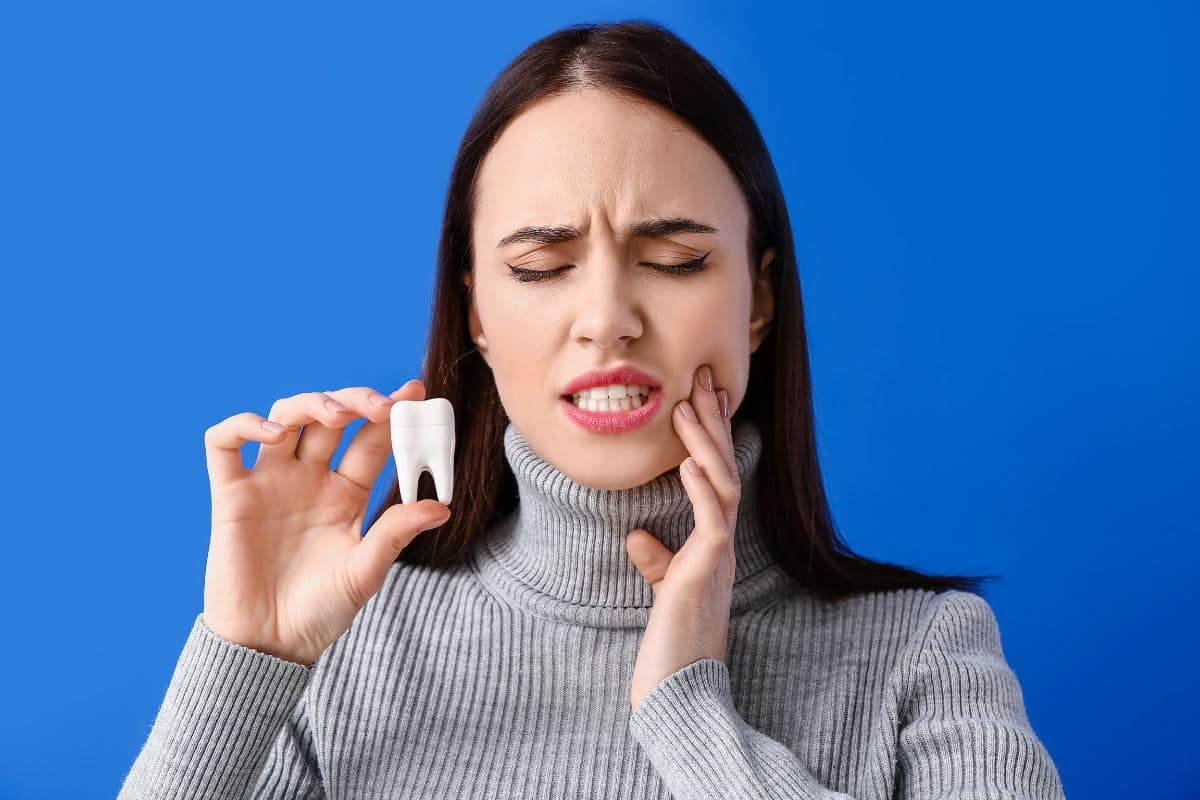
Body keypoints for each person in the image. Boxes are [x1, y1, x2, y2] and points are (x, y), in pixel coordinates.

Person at [119, 19, 1065, 800]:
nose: (607, 319)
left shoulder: (923, 655)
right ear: (476, 313)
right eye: (542, 267)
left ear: (761, 298)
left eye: (676, 260)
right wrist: (248, 658)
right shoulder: (344, 646)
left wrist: (691, 715)